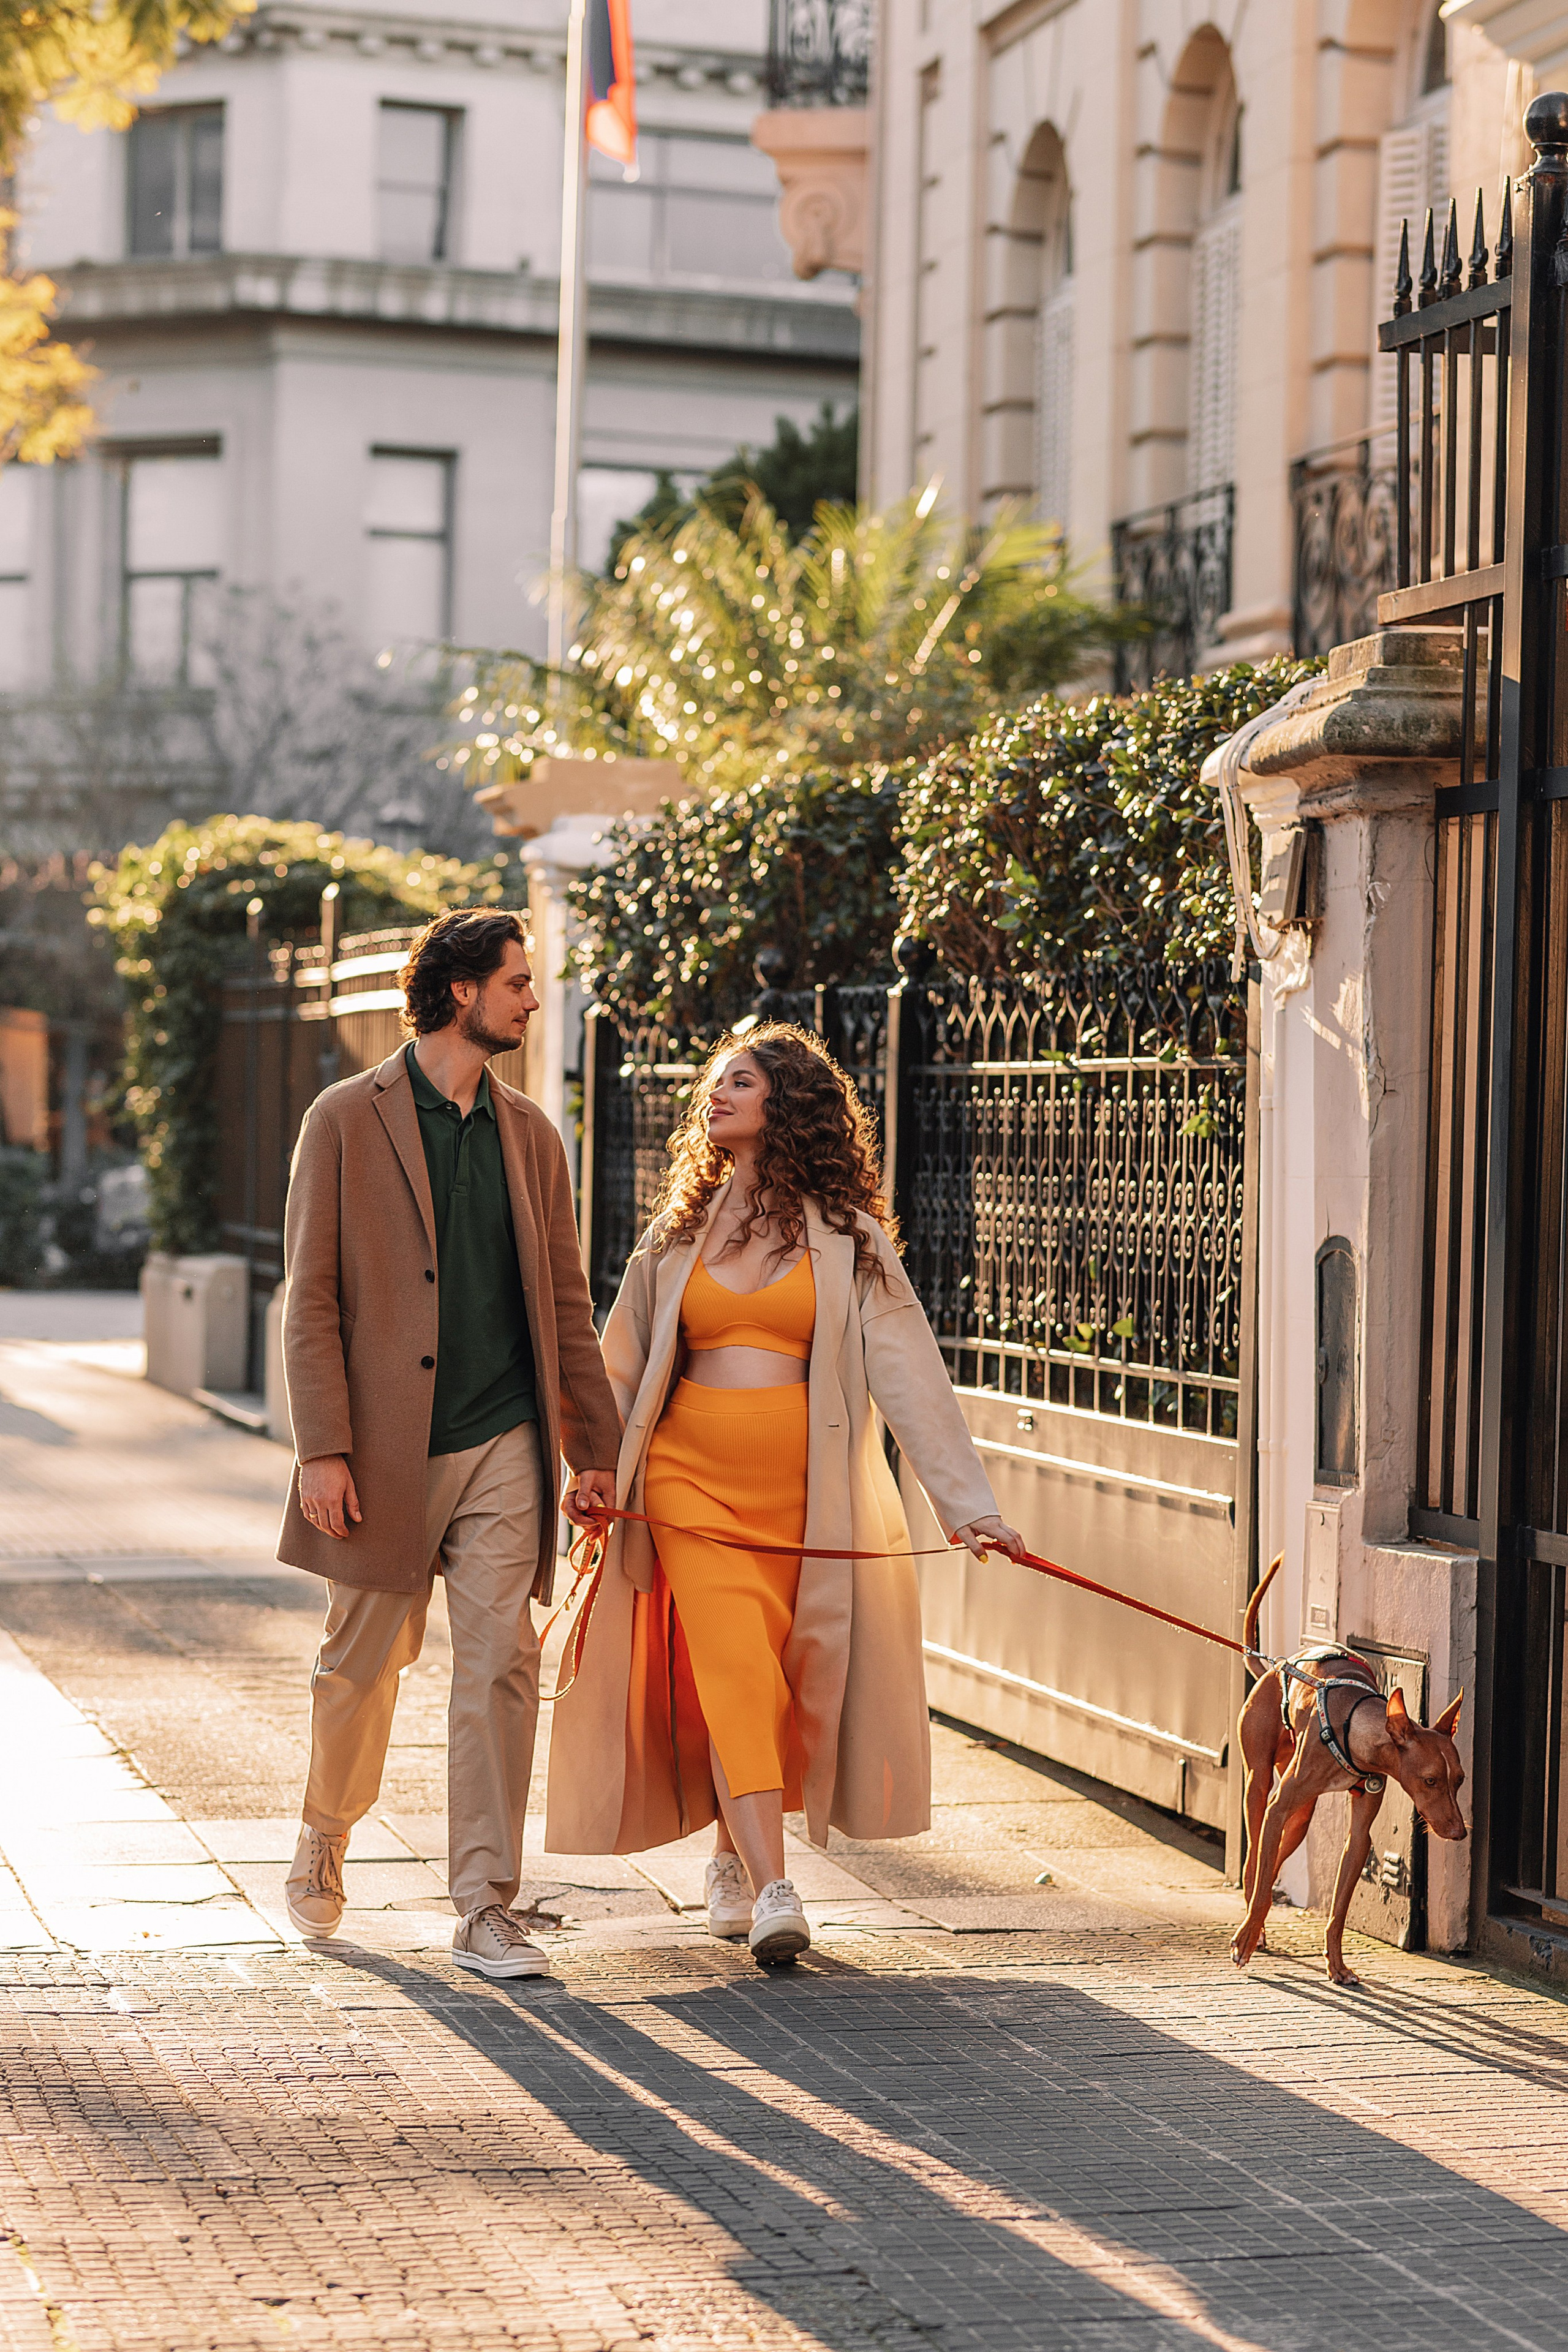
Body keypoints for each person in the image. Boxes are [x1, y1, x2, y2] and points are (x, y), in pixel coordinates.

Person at [546, 1021, 1024, 1966]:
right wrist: (591, 1467)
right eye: (715, 1085)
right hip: (686, 1477)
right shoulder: (679, 1230)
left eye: (740, 1083)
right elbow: (621, 1362)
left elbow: (909, 1373)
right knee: (730, 1664)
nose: (716, 1097)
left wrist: (969, 1507)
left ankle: (730, 1853)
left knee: (776, 1681)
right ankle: (774, 1886)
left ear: (788, 1105)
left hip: (805, 1494)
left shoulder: (849, 1239)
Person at [275, 907, 620, 1981]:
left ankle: (484, 1904)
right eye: (517, 981)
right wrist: (322, 1446)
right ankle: (326, 1832)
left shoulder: (532, 1136)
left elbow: (565, 1300)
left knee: (503, 1666)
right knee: (360, 1668)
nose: (531, 997)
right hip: (380, 1452)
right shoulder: (344, 1118)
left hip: (504, 1437)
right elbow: (312, 1295)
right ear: (463, 991)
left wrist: (592, 1442)